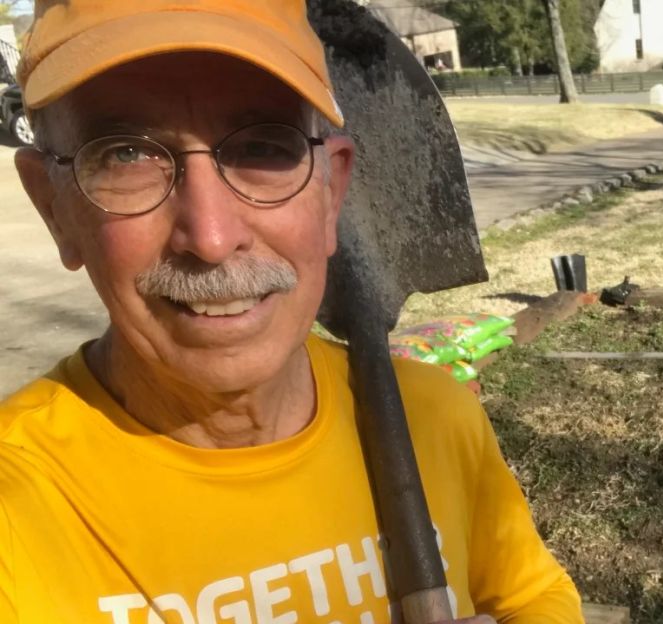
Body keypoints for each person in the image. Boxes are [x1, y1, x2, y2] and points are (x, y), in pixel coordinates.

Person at [0, 1, 583, 622]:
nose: (212, 236)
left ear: (332, 191)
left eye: (262, 145)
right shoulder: (21, 509)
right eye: (125, 155)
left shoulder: (434, 418)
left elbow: (532, 597)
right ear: (54, 206)